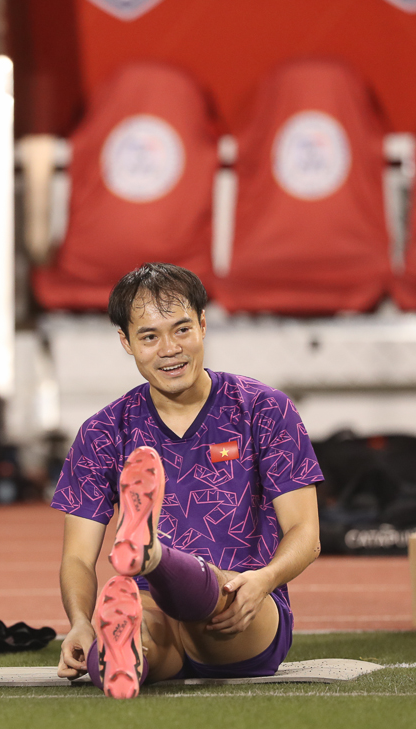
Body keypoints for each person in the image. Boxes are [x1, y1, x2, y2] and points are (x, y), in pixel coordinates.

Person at [53, 263, 323, 698]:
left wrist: (265, 580)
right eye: (149, 336)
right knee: (128, 648)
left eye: (181, 330)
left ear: (202, 324)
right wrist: (81, 626)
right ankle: (123, 648)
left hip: (242, 606)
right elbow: (78, 558)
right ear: (125, 341)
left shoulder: (263, 409)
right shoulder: (103, 431)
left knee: (214, 602)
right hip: (150, 608)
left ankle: (152, 556)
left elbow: (306, 534)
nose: (169, 350)